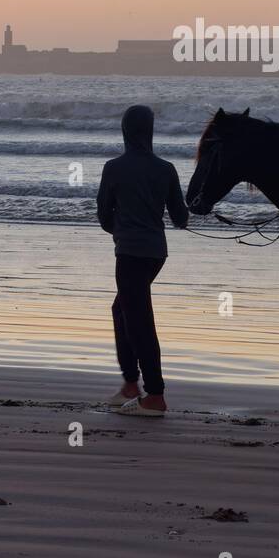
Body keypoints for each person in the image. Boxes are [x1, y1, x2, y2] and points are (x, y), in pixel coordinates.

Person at [96, 105, 188, 416]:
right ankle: (130, 385)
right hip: (155, 253)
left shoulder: (113, 168)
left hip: (129, 252)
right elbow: (180, 217)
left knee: (138, 320)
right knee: (123, 309)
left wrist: (121, 230)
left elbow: (103, 216)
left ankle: (155, 394)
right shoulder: (167, 169)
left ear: (125, 132)